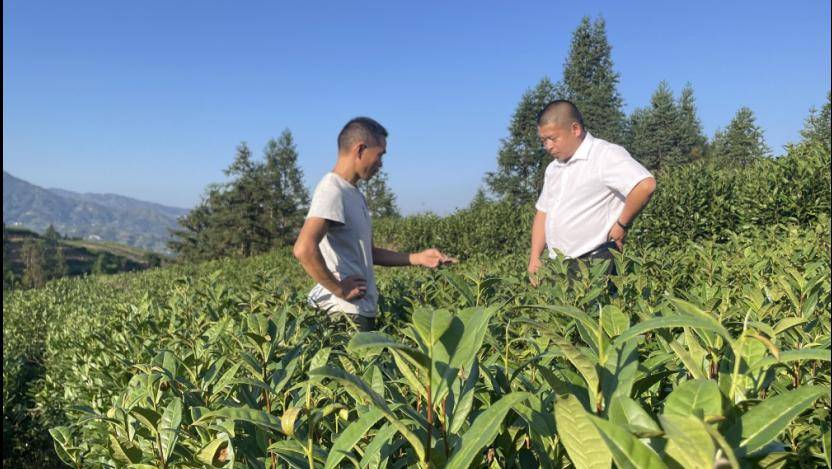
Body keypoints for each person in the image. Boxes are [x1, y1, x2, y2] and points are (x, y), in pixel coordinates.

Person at [293, 117, 456, 331]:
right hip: (343, 314)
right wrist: (339, 289)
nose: (380, 163)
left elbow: (369, 253)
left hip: (359, 310)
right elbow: (304, 248)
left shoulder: (353, 194)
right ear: (360, 149)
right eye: (380, 154)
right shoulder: (332, 190)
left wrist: (419, 258)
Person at [528, 100, 656, 286]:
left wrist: (622, 224)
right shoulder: (553, 168)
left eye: (553, 139)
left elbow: (645, 185)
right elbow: (543, 212)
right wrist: (535, 258)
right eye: (543, 141)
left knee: (600, 315)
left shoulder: (604, 155)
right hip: (559, 270)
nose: (548, 146)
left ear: (575, 129)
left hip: (596, 266)